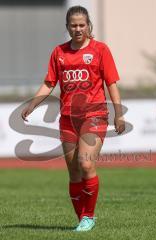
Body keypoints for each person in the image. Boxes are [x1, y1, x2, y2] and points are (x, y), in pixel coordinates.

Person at [21, 5, 125, 232]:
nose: (78, 29)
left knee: (86, 163)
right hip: (68, 118)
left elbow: (111, 83)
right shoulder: (59, 53)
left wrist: (118, 113)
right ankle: (83, 219)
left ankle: (88, 216)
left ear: (88, 26)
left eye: (82, 25)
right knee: (74, 171)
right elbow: (49, 83)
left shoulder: (100, 50)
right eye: (73, 25)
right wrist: (31, 105)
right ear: (67, 27)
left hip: (95, 114)